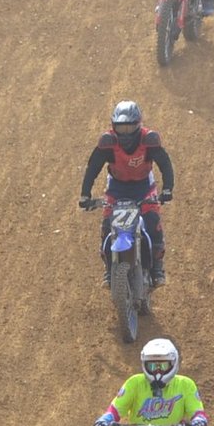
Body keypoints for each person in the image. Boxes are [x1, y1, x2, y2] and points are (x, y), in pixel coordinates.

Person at [79, 100, 176, 287]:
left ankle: (157, 268)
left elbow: (164, 163)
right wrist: (85, 195)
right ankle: (109, 270)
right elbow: (93, 168)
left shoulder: (149, 140)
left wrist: (167, 189)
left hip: (144, 186)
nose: (125, 133)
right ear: (113, 126)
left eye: (129, 127)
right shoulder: (108, 143)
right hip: (117, 187)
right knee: (108, 227)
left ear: (138, 125)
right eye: (120, 128)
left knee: (153, 222)